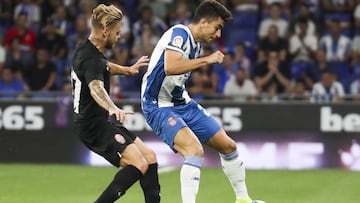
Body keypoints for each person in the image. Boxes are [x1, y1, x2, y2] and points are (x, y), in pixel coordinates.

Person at [141, 1, 265, 203]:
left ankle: (243, 199)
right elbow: (170, 67)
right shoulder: (179, 34)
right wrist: (207, 60)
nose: (218, 35)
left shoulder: (196, 45)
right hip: (158, 105)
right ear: (204, 22)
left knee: (229, 146)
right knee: (194, 150)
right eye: (217, 28)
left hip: (181, 103)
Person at [71, 4, 160, 203]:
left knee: (150, 157)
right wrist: (111, 106)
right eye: (117, 32)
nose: (119, 36)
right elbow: (96, 88)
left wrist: (127, 70)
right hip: (92, 126)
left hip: (102, 122)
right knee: (138, 164)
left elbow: (105, 66)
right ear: (105, 31)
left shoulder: (87, 49)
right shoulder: (90, 59)